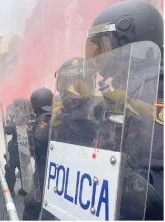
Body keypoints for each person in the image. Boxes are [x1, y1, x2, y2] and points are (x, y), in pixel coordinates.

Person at [85, 1, 163, 219]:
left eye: (103, 45)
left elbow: (155, 181)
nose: (97, 55)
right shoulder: (125, 88)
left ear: (127, 40)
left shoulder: (156, 90)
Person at [22, 87, 53, 220]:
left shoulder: (45, 118)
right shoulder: (50, 115)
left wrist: (28, 134)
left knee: (32, 205)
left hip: (43, 168)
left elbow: (37, 144)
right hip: (47, 168)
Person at [3, 102, 27, 198]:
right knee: (24, 168)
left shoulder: (16, 117)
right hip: (26, 145)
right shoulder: (30, 116)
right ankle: (25, 188)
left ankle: (10, 190)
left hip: (17, 145)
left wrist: (7, 125)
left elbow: (9, 131)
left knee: (10, 167)